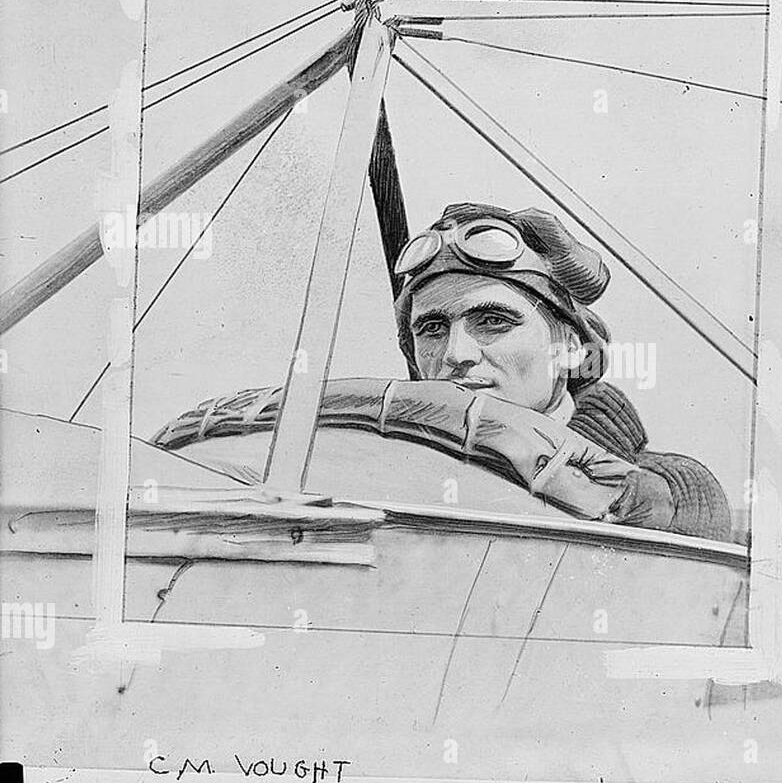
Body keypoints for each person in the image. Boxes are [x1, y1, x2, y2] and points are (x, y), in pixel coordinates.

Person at [153, 203, 730, 541]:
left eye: (493, 321)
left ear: (574, 351)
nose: (455, 353)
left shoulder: (670, 488)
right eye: (431, 328)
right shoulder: (372, 466)